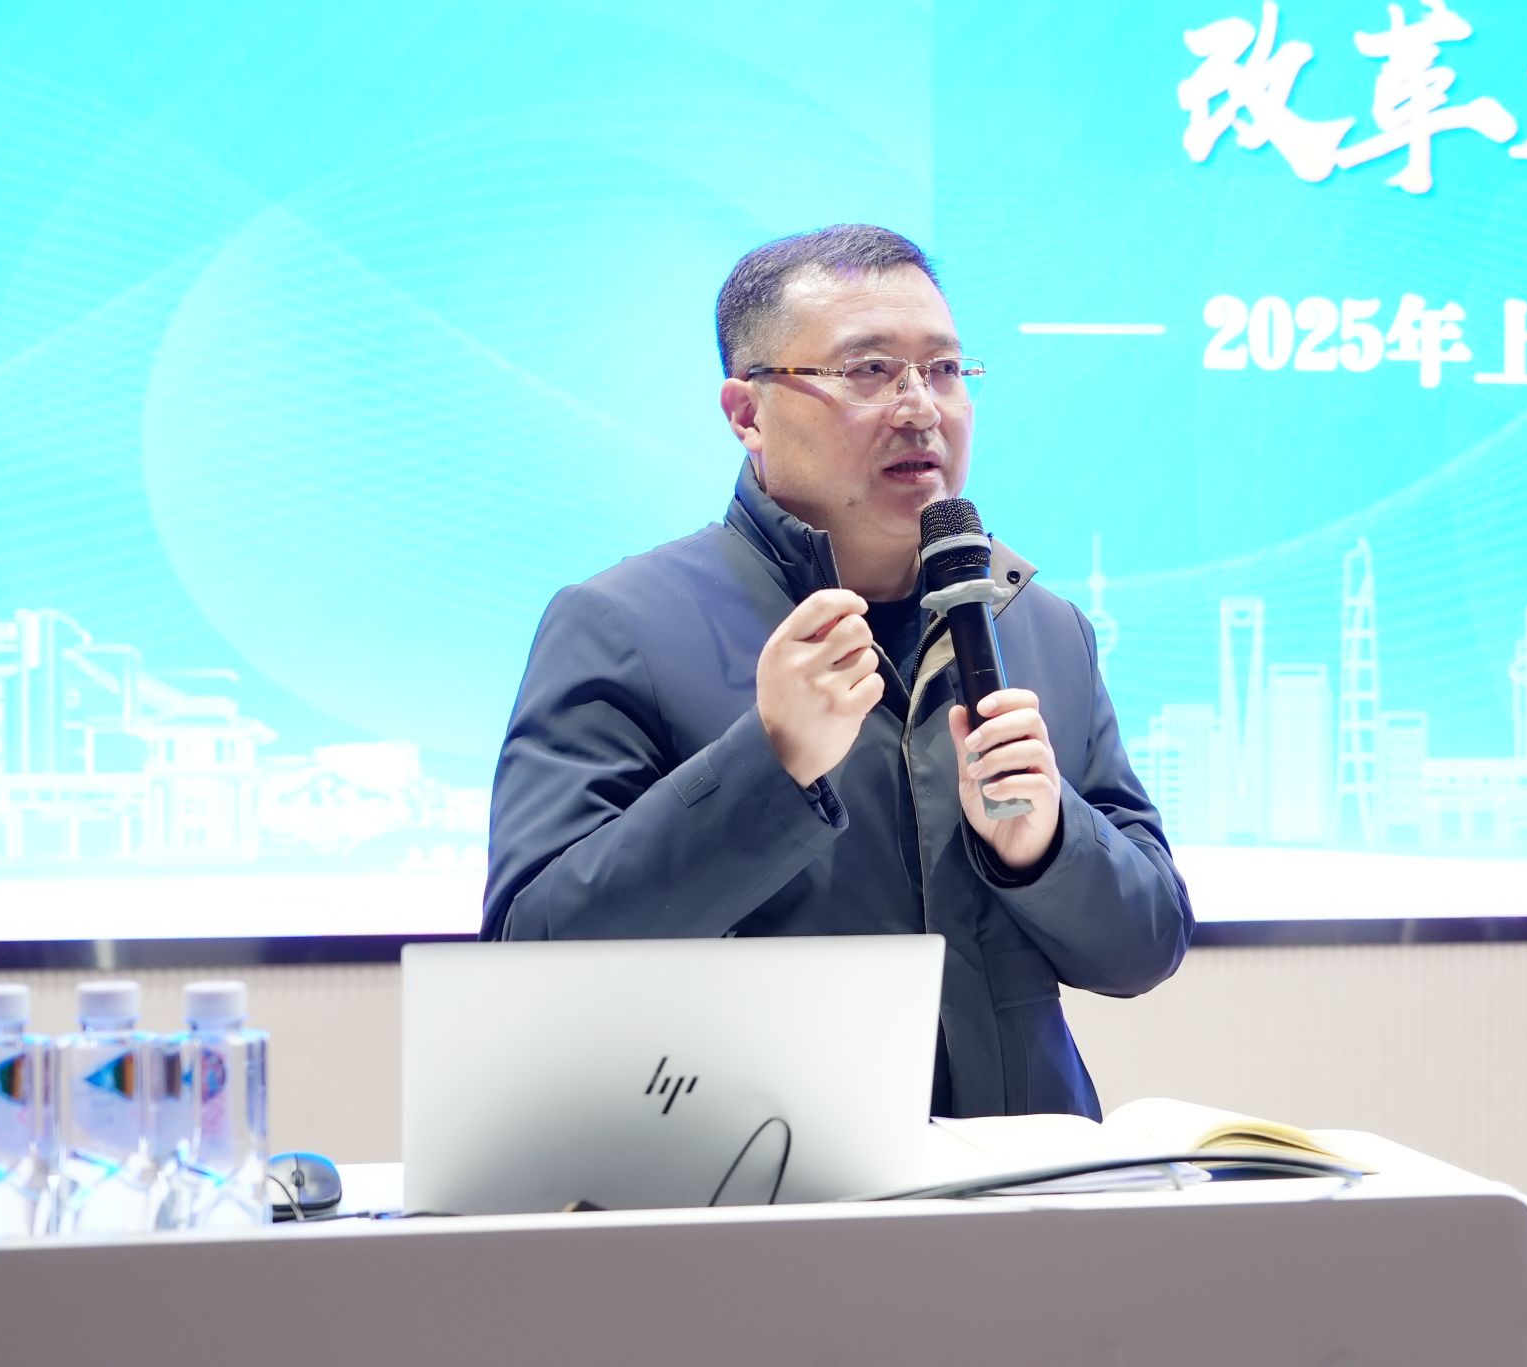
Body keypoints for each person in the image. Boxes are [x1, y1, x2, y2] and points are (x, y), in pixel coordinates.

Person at [480, 224, 1192, 1118]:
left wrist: (1047, 843)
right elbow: (531, 961)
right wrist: (768, 765)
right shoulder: (623, 624)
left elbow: (1145, 946)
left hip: (1021, 1185)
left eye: (944, 369)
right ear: (747, 414)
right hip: (762, 1184)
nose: (920, 407)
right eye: (869, 371)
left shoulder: (1041, 627)